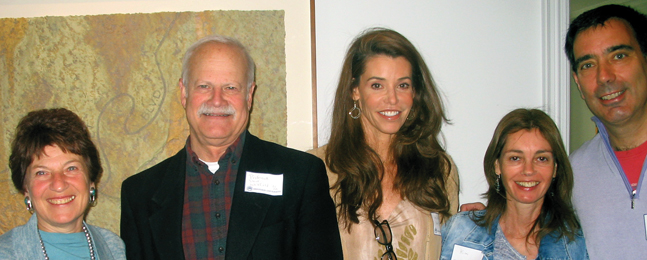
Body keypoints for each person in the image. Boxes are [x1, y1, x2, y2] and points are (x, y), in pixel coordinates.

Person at [120, 35, 342, 260]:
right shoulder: (140, 195)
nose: (217, 100)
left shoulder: (301, 176)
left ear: (249, 95)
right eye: (204, 86)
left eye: (231, 87)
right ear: (184, 93)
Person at [309, 28, 458, 260]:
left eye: (403, 85)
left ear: (415, 92)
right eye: (377, 85)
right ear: (355, 90)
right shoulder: (317, 169)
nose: (393, 99)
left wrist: (475, 227)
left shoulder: (439, 169)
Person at [441, 109, 588, 260]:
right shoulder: (461, 230)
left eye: (541, 158)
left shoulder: (575, 246)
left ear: (555, 169)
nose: (528, 170)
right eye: (515, 158)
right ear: (497, 165)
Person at [564, 4, 647, 259]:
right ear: (578, 82)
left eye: (619, 56)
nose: (604, 77)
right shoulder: (573, 173)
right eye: (588, 65)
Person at [0, 108, 126, 259]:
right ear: (26, 188)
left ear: (91, 181)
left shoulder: (113, 247)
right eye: (42, 172)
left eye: (71, 168)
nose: (58, 184)